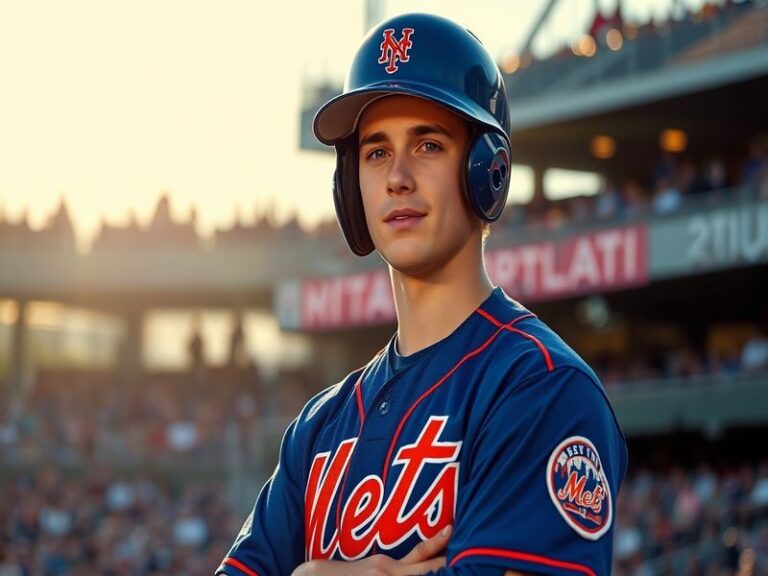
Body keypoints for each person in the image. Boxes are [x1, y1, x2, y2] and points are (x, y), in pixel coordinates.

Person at [216, 12, 627, 576]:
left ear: (488, 171)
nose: (397, 177)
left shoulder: (542, 386)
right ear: (349, 185)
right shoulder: (317, 428)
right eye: (376, 151)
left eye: (428, 145)